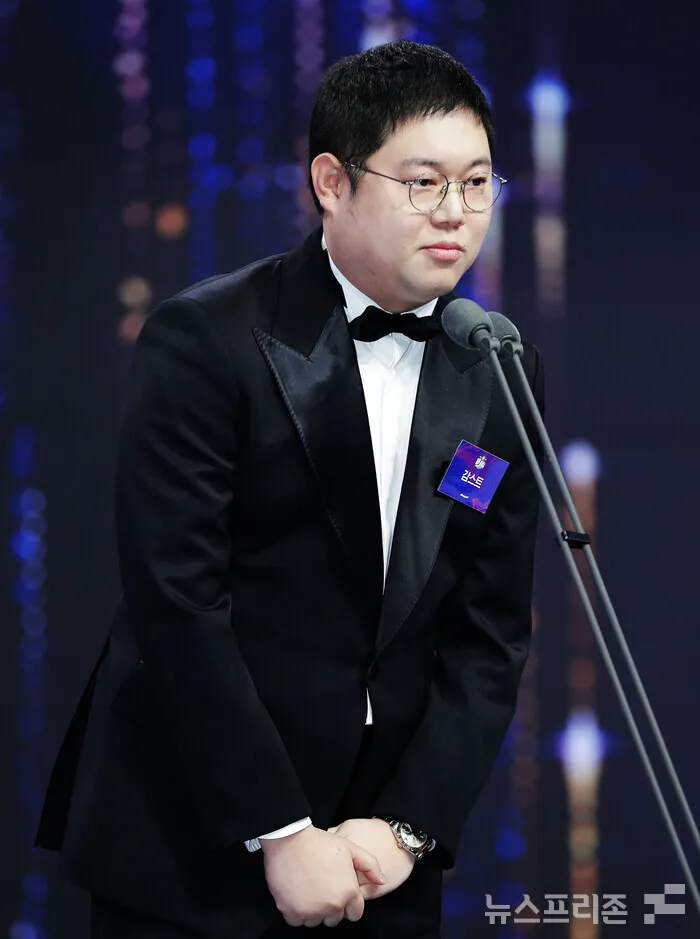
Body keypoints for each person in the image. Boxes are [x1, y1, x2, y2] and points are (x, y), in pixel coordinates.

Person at [35, 39, 544, 939]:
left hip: (381, 863)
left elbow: (490, 633)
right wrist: (279, 828)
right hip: (193, 850)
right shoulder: (207, 338)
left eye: (477, 183)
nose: (455, 213)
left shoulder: (496, 362)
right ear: (331, 182)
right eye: (423, 182)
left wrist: (406, 826)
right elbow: (178, 601)